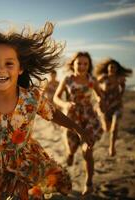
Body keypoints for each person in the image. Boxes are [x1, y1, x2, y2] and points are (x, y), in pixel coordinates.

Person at [0, 22, 93, 199]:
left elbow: (53, 114)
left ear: (20, 68)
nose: (1, 69)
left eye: (9, 63)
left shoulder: (31, 98)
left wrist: (77, 128)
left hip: (25, 160)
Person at [53, 51, 103, 195]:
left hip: (89, 119)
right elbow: (56, 98)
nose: (82, 66)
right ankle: (70, 153)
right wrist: (65, 104)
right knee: (72, 148)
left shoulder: (92, 80)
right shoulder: (67, 79)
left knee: (87, 151)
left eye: (85, 64)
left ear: (89, 65)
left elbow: (100, 95)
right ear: (73, 64)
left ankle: (89, 183)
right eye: (79, 63)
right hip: (72, 119)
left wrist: (100, 101)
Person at [94, 58, 132, 157]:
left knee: (115, 127)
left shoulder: (120, 78)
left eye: (114, 67)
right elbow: (94, 87)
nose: (112, 68)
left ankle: (112, 147)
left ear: (116, 69)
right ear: (107, 68)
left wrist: (120, 96)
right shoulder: (102, 77)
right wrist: (98, 98)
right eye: (110, 66)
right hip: (104, 106)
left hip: (116, 106)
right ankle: (104, 122)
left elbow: (123, 88)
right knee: (106, 128)